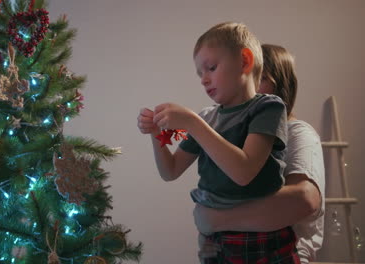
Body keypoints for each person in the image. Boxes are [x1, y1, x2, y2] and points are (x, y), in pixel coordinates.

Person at [137, 22, 299, 262]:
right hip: (215, 239)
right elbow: (170, 171)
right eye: (199, 74)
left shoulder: (269, 107)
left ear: (244, 61)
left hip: (262, 238)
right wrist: (155, 134)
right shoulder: (206, 118)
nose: (203, 80)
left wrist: (192, 122)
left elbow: (244, 172)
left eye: (211, 67)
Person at [194, 44, 325, 263]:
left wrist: (215, 218)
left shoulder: (297, 132)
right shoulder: (230, 131)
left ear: (280, 85)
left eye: (259, 78)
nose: (246, 87)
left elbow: (304, 199)